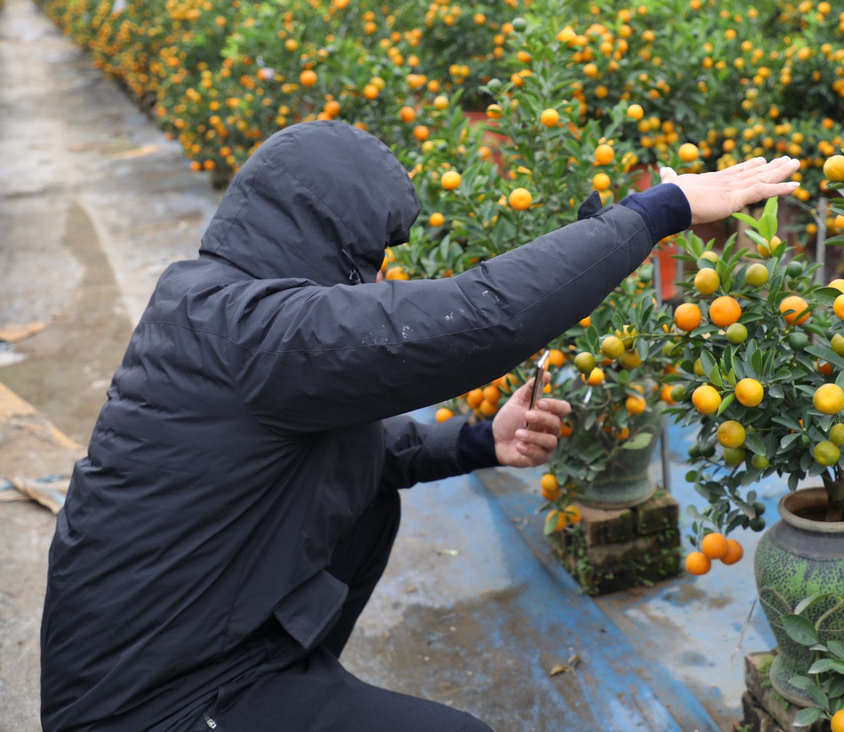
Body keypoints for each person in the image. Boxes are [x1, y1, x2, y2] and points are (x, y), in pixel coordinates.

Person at [39, 120, 800, 732]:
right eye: (370, 258)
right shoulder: (248, 329)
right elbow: (481, 316)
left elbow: (363, 449)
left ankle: (296, 680)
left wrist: (480, 441)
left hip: (204, 652)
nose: (378, 278)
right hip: (152, 705)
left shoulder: (222, 309)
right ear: (320, 234)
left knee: (370, 498)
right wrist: (657, 210)